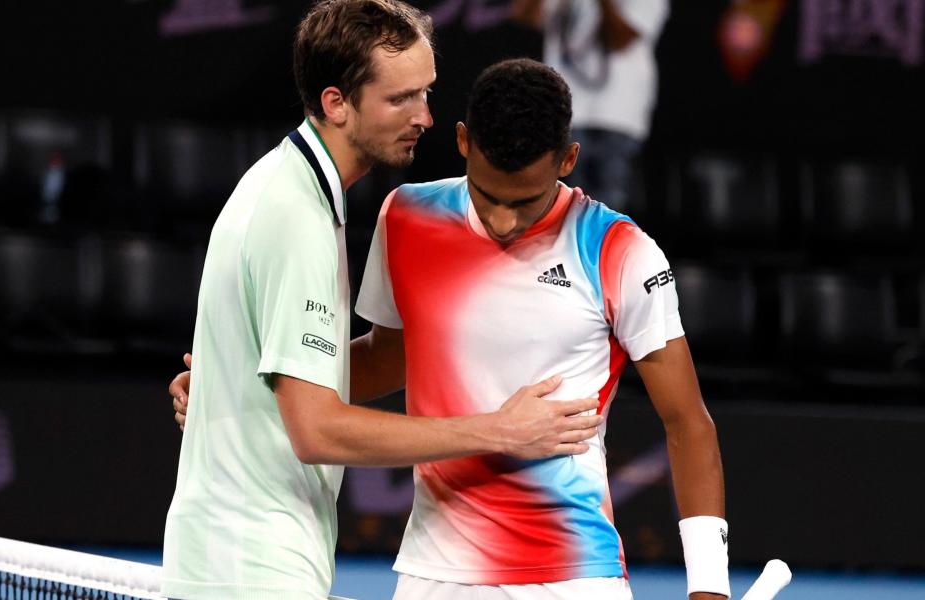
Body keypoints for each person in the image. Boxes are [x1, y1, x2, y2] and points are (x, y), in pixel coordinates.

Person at [173, 59, 729, 599]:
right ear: (462, 142)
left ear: (568, 160)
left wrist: (710, 586)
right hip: (432, 572)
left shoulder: (621, 252)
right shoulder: (407, 216)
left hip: (571, 572)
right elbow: (387, 360)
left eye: (526, 202)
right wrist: (244, 386)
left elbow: (688, 423)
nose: (505, 221)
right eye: (490, 197)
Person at [510, 0, 669, 212]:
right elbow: (524, 13)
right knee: (557, 213)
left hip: (616, 118)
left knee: (606, 214)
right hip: (564, 116)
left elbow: (620, 39)